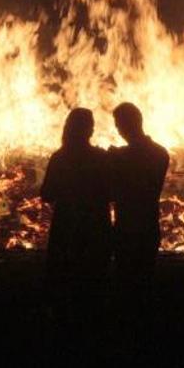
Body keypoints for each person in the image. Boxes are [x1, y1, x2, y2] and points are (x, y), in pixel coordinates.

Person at [40, 108, 112, 316]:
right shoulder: (101, 157)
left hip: (67, 225)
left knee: (64, 280)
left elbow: (47, 193)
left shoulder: (60, 157)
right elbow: (112, 193)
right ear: (90, 130)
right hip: (96, 226)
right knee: (94, 282)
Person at [107, 102, 169, 307]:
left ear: (127, 125)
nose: (118, 129)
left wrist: (114, 159)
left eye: (118, 124)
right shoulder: (161, 153)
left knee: (124, 284)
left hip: (127, 227)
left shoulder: (122, 157)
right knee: (145, 282)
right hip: (149, 225)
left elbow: (115, 191)